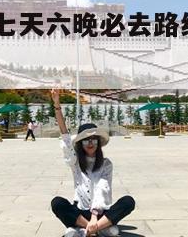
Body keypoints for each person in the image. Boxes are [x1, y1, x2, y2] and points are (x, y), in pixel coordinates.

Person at [50, 89, 135, 237]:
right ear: (80, 144)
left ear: (98, 142)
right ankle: (98, 228)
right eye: (86, 141)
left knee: (128, 201)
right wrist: (57, 105)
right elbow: (65, 137)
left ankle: (85, 229)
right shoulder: (75, 162)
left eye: (94, 140)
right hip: (80, 213)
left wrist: (95, 216)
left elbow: (103, 188)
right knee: (57, 203)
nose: (90, 144)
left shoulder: (106, 164)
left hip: (101, 213)